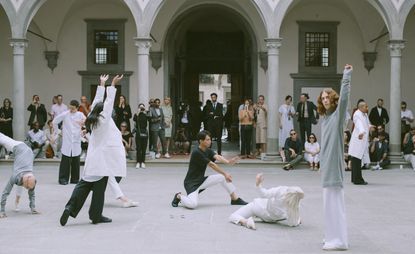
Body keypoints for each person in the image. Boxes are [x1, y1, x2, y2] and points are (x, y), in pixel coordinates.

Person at [59, 74, 131, 226]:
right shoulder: (103, 120)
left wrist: (102, 84)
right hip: (101, 162)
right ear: (103, 111)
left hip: (92, 159)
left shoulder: (92, 117)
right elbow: (108, 102)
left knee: (83, 185)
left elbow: (98, 102)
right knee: (99, 190)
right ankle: (95, 216)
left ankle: (69, 207)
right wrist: (112, 84)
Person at [316, 64, 352, 251]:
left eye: (327, 97)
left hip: (334, 168)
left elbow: (345, 98)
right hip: (327, 168)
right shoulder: (326, 119)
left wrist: (346, 76)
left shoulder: (338, 116)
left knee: (335, 206)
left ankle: (338, 240)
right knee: (328, 205)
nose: (325, 100)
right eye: (322, 98)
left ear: (333, 99)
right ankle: (332, 237)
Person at [171, 130, 247, 209]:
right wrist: (225, 173)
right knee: (193, 205)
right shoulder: (196, 152)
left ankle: (235, 199)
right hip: (191, 184)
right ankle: (179, 196)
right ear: (201, 141)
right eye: (207, 140)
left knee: (222, 177)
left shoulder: (207, 150)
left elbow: (217, 157)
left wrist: (228, 161)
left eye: (210, 139)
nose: (210, 141)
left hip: (201, 180)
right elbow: (212, 165)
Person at [229, 173, 304, 230]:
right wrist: (297, 220)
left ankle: (245, 222)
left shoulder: (282, 190)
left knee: (233, 216)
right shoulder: (295, 205)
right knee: (288, 215)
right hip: (272, 218)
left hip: (258, 208)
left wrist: (258, 184)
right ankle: (251, 219)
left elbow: (264, 194)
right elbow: (293, 223)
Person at [0, 132, 39, 218]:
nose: (28, 189)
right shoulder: (15, 176)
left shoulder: (32, 180)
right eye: (27, 187)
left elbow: (31, 193)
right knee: (3, 140)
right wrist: (2, 211)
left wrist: (33, 208)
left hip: (28, 152)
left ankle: (19, 203)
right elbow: (5, 192)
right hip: (19, 147)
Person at [53, 100, 86, 185]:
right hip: (67, 140)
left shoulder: (80, 115)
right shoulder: (65, 114)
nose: (71, 110)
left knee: (76, 160)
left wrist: (84, 129)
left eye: (73, 108)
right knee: (65, 161)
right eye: (70, 108)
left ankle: (75, 179)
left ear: (77, 108)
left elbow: (87, 123)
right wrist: (59, 132)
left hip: (76, 140)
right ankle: (63, 179)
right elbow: (55, 121)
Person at [349, 100, 370, 185]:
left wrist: (370, 126)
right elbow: (359, 124)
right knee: (356, 161)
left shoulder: (365, 114)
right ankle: (358, 179)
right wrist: (361, 132)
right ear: (361, 107)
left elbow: (366, 124)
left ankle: (354, 178)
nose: (367, 108)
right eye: (366, 107)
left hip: (361, 140)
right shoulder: (357, 114)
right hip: (358, 140)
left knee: (356, 160)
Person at [278, 96, 296, 162]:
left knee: (289, 134)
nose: (289, 101)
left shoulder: (292, 107)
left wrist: (291, 113)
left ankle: (289, 147)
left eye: (290, 100)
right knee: (283, 134)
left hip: (289, 123)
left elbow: (293, 115)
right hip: (283, 122)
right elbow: (279, 115)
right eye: (288, 99)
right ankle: (283, 148)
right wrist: (280, 123)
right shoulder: (282, 106)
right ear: (286, 100)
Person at [133, 103, 148, 169]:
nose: (142, 109)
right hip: (138, 132)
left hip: (144, 132)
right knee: (138, 148)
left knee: (144, 148)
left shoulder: (145, 114)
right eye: (140, 107)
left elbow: (150, 119)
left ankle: (143, 162)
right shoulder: (137, 115)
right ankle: (138, 162)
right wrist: (138, 113)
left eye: (142, 107)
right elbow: (134, 119)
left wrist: (145, 112)